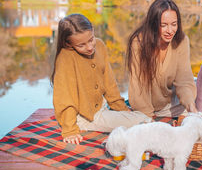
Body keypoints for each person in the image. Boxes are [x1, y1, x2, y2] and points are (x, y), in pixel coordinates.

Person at [51, 14, 151, 145]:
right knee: (143, 121)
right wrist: (70, 130)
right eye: (81, 45)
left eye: (91, 39)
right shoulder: (65, 58)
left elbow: (109, 82)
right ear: (68, 43)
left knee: (142, 115)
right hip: (85, 116)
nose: (89, 47)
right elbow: (65, 97)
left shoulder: (100, 45)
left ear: (93, 30)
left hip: (103, 107)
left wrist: (120, 107)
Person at [126, 0, 197, 118]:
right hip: (143, 107)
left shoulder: (182, 41)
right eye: (163, 25)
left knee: (197, 110)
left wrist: (191, 106)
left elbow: (184, 80)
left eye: (174, 24)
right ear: (153, 25)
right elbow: (138, 86)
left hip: (171, 105)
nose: (170, 31)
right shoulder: (138, 42)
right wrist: (147, 118)